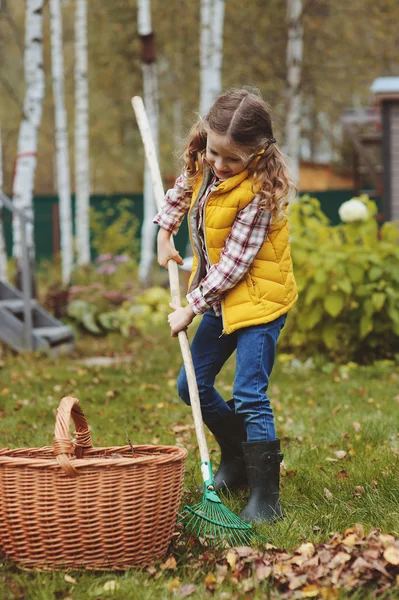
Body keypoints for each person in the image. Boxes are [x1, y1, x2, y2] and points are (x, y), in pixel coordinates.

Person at [153, 87, 298, 523]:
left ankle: (265, 496)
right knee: (190, 386)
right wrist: (164, 231)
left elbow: (234, 266)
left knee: (249, 395)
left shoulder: (258, 193)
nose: (220, 165)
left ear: (258, 154)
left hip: (258, 304)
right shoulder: (206, 163)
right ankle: (237, 454)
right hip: (220, 301)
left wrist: (190, 307)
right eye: (215, 153)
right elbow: (182, 191)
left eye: (232, 160)